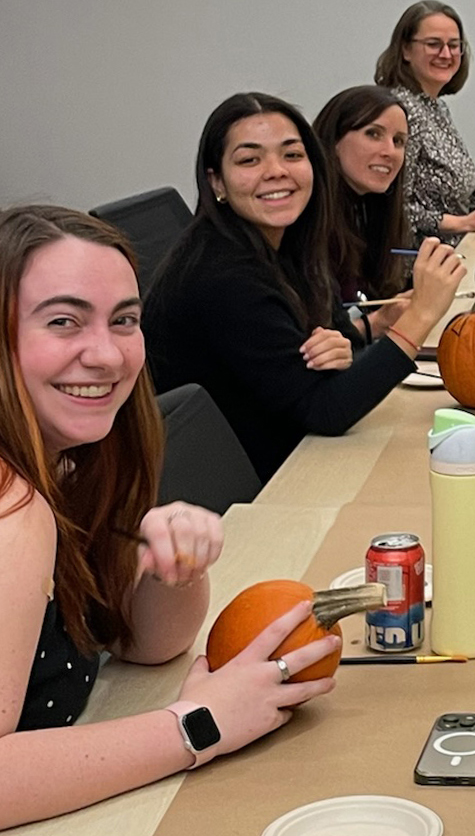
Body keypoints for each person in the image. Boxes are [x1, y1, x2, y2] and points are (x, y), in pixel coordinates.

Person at [0, 205, 339, 828]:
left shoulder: (69, 461)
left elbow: (146, 644)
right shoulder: (12, 511)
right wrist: (198, 726)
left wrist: (169, 569)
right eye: (63, 321)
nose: (106, 354)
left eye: (124, 320)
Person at [145, 92, 465, 483]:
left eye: (292, 155)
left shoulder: (289, 243)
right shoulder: (222, 276)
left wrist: (342, 344)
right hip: (245, 486)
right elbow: (326, 410)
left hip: (284, 449)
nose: (276, 171)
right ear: (217, 182)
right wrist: (421, 315)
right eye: (250, 160)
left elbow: (335, 336)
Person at [373, 0, 475, 243]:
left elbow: (460, 202)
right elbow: (391, 206)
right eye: (433, 44)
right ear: (405, 50)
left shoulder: (437, 108)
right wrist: (460, 223)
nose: (446, 54)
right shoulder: (400, 111)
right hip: (416, 260)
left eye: (454, 45)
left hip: (450, 252)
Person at [312, 84, 414, 344]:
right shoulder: (308, 221)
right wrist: (377, 323)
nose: (389, 152)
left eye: (398, 141)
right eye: (373, 134)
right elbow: (310, 345)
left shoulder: (368, 209)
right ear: (334, 141)